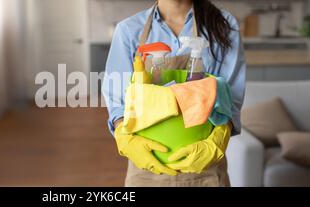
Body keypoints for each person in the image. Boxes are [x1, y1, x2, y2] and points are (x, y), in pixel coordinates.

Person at [102, 0, 246, 187]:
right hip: (146, 169)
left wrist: (219, 138)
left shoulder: (223, 25)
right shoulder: (129, 30)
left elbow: (231, 95)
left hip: (205, 169)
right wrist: (125, 137)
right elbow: (118, 98)